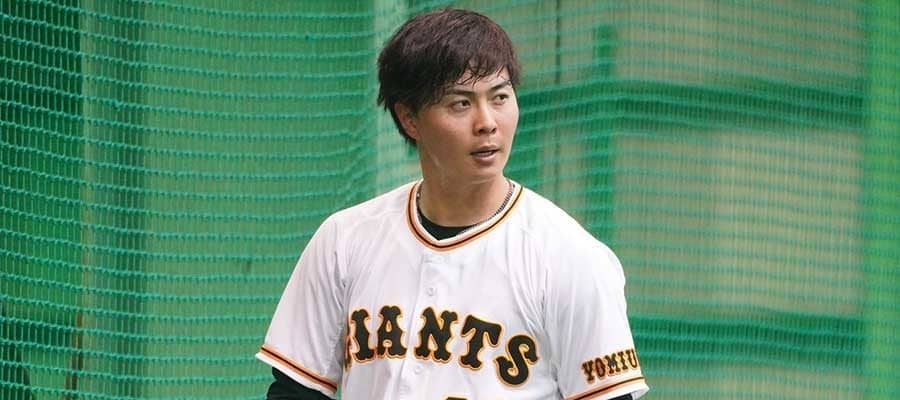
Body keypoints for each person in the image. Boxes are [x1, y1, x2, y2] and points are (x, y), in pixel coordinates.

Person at [257, 8, 648, 400]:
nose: (487, 122)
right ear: (409, 118)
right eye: (461, 103)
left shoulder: (570, 257)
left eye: (500, 97)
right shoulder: (344, 240)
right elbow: (295, 392)